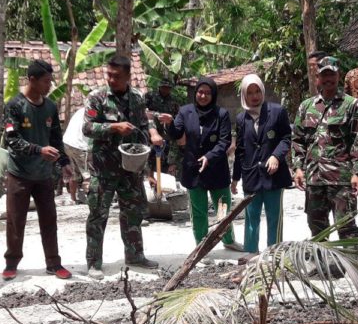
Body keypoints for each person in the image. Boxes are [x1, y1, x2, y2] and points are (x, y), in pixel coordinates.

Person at [83, 55, 164, 279]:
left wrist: (152, 133)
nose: (111, 79)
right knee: (98, 215)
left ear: (128, 76)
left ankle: (135, 255)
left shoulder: (137, 98)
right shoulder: (97, 98)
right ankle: (94, 263)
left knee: (133, 213)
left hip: (130, 166)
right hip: (103, 167)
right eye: (108, 75)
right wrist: (113, 128)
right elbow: (87, 128)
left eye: (116, 76)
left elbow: (144, 122)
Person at [1, 60, 73, 281]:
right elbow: (12, 140)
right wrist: (39, 150)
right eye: (46, 81)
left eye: (50, 81)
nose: (49, 86)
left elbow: (56, 139)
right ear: (32, 80)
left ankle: (54, 263)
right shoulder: (14, 106)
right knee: (15, 220)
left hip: (44, 175)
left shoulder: (50, 107)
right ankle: (11, 262)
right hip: (19, 174)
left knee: (49, 219)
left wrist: (64, 163)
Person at [292, 56, 358, 239]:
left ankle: (349, 259)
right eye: (324, 75)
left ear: (338, 76)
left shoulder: (351, 105)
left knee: (347, 228)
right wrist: (298, 168)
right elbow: (297, 140)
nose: (328, 79)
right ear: (317, 77)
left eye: (331, 75)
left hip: (341, 180)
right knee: (316, 228)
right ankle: (322, 258)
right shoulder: (306, 107)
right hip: (314, 179)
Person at [167, 77, 243, 251]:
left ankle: (228, 240)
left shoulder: (221, 114)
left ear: (213, 94)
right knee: (199, 212)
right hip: (194, 170)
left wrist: (209, 156)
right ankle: (201, 247)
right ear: (196, 93)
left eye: (208, 93)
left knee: (223, 208)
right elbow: (176, 134)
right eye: (200, 92)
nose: (203, 96)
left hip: (217, 169)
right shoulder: (185, 112)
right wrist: (170, 123)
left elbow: (224, 141)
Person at [232, 74, 292, 254]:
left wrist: (276, 156)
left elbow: (286, 138)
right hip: (251, 175)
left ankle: (274, 254)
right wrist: (235, 178)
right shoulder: (241, 119)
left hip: (274, 176)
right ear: (244, 95)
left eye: (257, 91)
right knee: (251, 218)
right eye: (249, 93)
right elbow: (240, 150)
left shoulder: (277, 112)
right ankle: (250, 254)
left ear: (262, 91)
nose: (254, 96)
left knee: (274, 218)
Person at [62, 107, 91, 204]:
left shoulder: (81, 110)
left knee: (73, 173)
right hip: (80, 145)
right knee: (88, 174)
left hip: (67, 143)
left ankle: (73, 198)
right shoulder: (93, 111)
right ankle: (92, 199)